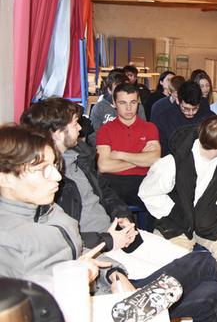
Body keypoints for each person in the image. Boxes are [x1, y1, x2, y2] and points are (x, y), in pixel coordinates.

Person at [0, 125, 217, 322]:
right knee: (203, 263)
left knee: (211, 292)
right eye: (42, 170)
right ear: (5, 178)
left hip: (110, 294)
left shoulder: (46, 209)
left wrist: (112, 272)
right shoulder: (8, 237)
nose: (57, 177)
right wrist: (85, 278)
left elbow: (79, 249)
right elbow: (26, 321)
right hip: (88, 317)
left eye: (54, 167)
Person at [20, 97, 136, 252]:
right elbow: (55, 238)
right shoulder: (43, 179)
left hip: (113, 236)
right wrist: (107, 241)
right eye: (75, 123)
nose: (80, 128)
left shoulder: (80, 158)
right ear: (58, 133)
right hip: (90, 249)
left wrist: (122, 216)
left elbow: (106, 193)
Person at [139, 116, 217, 275]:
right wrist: (174, 212)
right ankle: (192, 284)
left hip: (211, 219)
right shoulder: (173, 162)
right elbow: (147, 192)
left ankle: (200, 281)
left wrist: (216, 210)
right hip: (176, 221)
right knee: (172, 263)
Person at [96, 83, 161, 216]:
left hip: (143, 181)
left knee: (162, 204)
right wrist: (140, 158)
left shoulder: (150, 128)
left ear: (138, 102)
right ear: (114, 103)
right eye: (122, 103)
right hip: (113, 183)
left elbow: (154, 159)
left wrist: (119, 154)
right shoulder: (105, 130)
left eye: (133, 102)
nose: (128, 108)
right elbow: (103, 166)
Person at [152, 81, 214, 156]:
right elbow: (161, 149)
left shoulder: (209, 117)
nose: (191, 113)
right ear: (178, 100)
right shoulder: (163, 118)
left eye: (195, 108)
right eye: (186, 108)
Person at [88, 71, 146, 146]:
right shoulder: (99, 109)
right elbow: (94, 136)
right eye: (117, 88)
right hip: (107, 151)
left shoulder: (138, 107)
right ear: (109, 90)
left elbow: (143, 132)